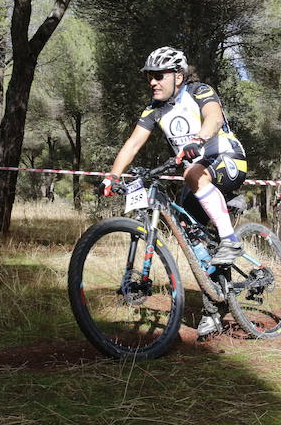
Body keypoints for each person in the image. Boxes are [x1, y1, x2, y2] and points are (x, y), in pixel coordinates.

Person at [102, 47, 247, 336]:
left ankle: (232, 240)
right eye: (149, 78)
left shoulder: (198, 91)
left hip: (228, 158)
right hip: (197, 172)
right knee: (190, 236)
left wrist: (199, 138)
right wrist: (112, 176)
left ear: (178, 76)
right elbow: (132, 144)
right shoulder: (153, 109)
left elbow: (214, 118)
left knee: (192, 173)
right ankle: (214, 306)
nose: (153, 82)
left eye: (159, 76)